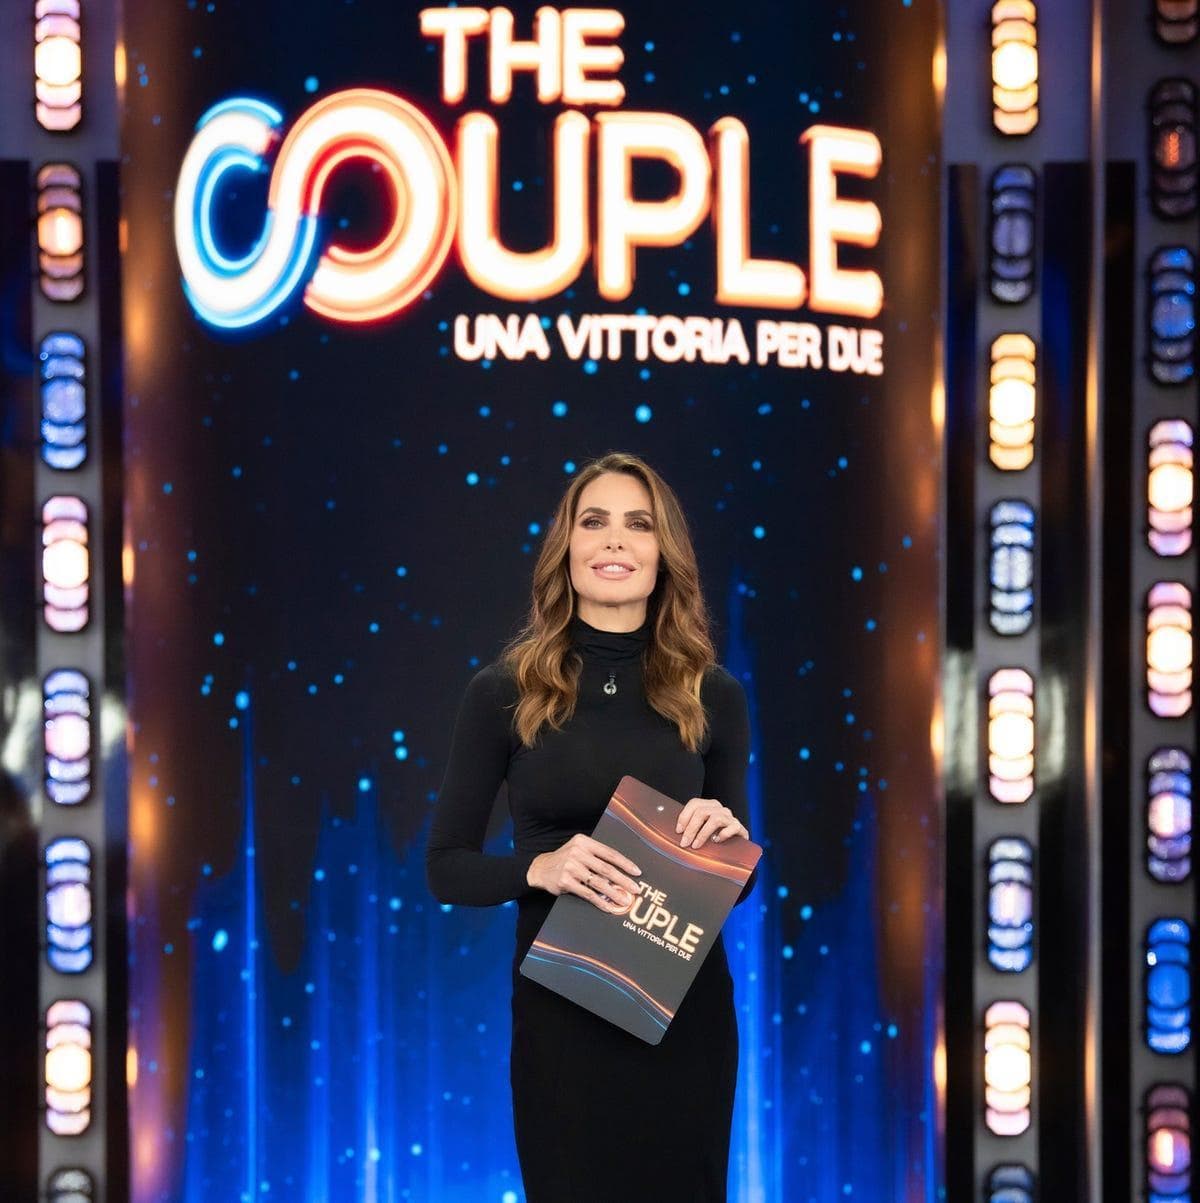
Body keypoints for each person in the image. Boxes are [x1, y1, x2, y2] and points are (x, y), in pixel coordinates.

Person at [426, 451, 757, 1202]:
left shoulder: (713, 695)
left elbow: (739, 885)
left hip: (683, 1013)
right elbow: (446, 865)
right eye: (594, 521)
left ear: (663, 553)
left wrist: (722, 839)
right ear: (567, 548)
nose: (615, 540)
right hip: (562, 1017)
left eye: (638, 524)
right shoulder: (503, 691)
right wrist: (539, 868)